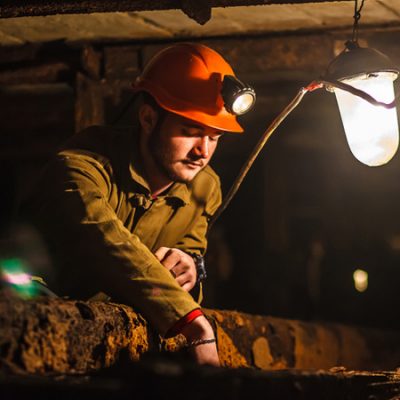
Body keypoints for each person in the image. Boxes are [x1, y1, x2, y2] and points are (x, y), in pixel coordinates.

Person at [20, 43, 255, 366]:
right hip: (29, 306)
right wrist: (192, 321)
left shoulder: (205, 187)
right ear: (148, 118)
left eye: (214, 138)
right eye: (190, 132)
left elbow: (191, 248)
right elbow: (106, 241)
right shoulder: (82, 164)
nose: (203, 151)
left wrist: (190, 266)